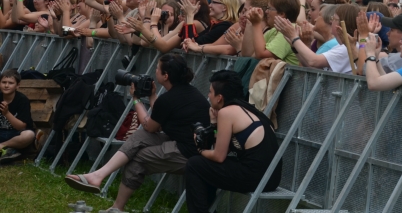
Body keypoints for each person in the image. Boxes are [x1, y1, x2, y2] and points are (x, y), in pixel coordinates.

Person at [65, 55, 210, 211]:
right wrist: (153, 96)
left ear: (165, 76)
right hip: (185, 144)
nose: (155, 71)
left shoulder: (169, 99)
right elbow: (159, 120)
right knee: (141, 136)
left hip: (189, 153)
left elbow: (150, 126)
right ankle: (98, 176)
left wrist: (136, 99)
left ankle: (116, 207)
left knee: (138, 158)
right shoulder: (190, 93)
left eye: (157, 68)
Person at [184, 71, 281, 213]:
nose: (208, 95)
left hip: (256, 177)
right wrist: (214, 122)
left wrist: (200, 150)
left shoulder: (227, 112)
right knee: (206, 167)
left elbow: (219, 156)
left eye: (210, 92)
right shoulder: (246, 109)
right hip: (272, 178)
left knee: (194, 164)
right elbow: (223, 151)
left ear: (219, 98)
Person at [275, 4, 360, 73]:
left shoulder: (345, 48)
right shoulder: (341, 46)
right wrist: (294, 46)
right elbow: (312, 67)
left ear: (342, 23)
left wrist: (294, 38)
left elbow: (313, 61)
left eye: (334, 19)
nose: (331, 21)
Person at [247, 0, 300, 65]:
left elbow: (261, 56)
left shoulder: (289, 32)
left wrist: (256, 24)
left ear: (282, 14)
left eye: (269, 8)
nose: (266, 11)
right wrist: (250, 22)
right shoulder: (275, 30)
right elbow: (250, 54)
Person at [0, 69, 35, 164]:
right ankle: (9, 152)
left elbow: (22, 126)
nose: (6, 85)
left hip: (15, 134)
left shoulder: (22, 100)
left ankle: (3, 146)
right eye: (4, 82)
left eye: (10, 83)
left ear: (17, 86)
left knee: (29, 135)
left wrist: (6, 113)